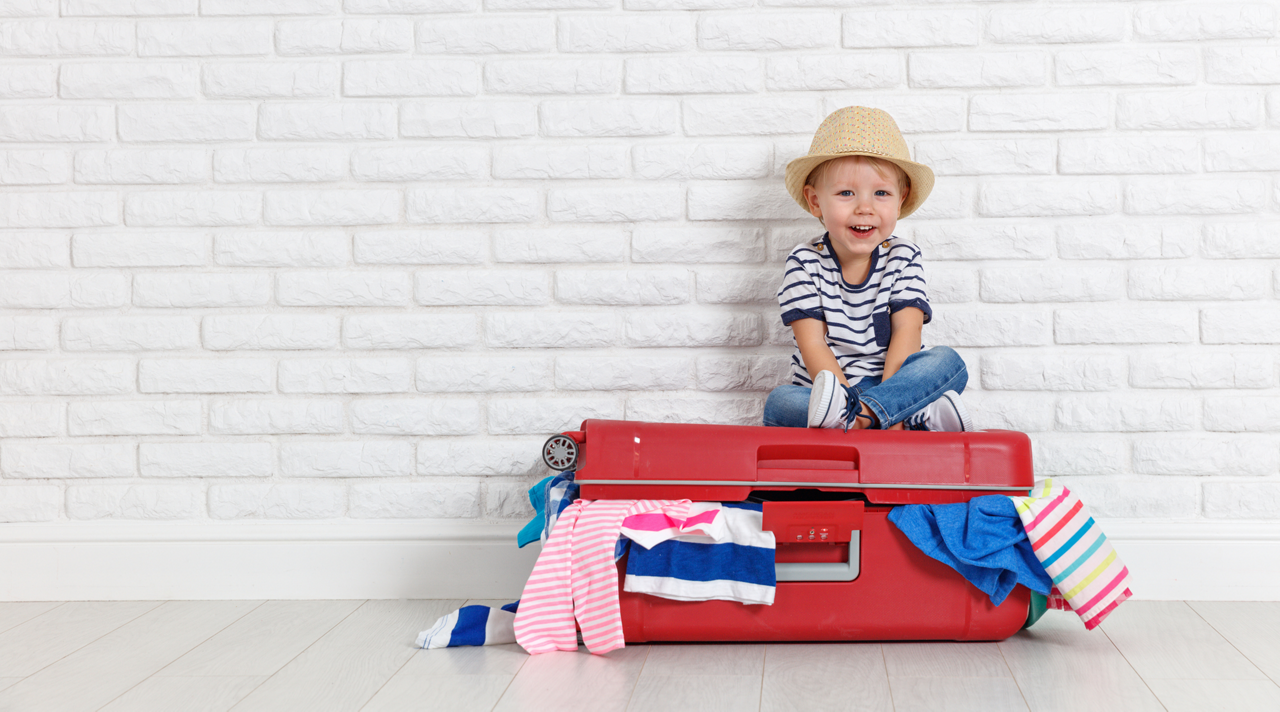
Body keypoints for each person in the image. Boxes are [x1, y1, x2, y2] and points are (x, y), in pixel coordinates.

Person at [763, 106, 972, 432]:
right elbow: (813, 345)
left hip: (894, 384)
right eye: (846, 193)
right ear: (816, 201)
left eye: (881, 193)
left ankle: (868, 418)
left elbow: (908, 331)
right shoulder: (804, 262)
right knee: (781, 402)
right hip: (829, 394)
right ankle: (910, 420)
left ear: (900, 200)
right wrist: (848, 399)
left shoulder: (903, 256)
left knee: (948, 363)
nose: (865, 207)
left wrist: (886, 402)